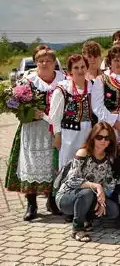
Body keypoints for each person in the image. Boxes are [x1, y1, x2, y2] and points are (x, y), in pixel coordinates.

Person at [5, 45, 66, 221]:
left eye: (48, 60)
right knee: (32, 163)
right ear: (36, 63)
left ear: (55, 62)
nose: (45, 63)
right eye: (41, 61)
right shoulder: (27, 81)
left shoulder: (63, 80)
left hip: (56, 130)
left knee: (54, 163)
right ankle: (31, 204)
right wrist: (31, 113)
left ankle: (52, 201)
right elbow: (13, 105)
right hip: (33, 130)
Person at [55, 122, 120, 242]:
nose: (103, 141)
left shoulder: (109, 158)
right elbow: (72, 179)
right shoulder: (83, 153)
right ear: (93, 137)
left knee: (113, 211)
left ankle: (86, 217)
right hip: (67, 196)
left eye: (107, 138)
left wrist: (102, 198)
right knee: (86, 193)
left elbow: (110, 183)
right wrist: (96, 186)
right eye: (99, 137)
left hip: (92, 195)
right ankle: (77, 229)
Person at [50, 54, 95, 171]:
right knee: (68, 162)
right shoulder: (63, 89)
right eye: (76, 67)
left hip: (88, 131)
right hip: (69, 132)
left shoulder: (93, 86)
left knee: (86, 162)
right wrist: (57, 135)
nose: (80, 70)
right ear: (70, 71)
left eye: (83, 67)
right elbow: (55, 116)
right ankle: (66, 186)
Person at [91, 47, 120, 139]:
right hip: (109, 126)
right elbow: (97, 107)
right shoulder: (101, 80)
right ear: (109, 63)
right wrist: (117, 124)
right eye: (116, 60)